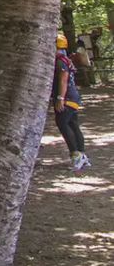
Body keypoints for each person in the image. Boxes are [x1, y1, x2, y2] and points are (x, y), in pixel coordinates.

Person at [53, 34, 90, 172]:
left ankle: (76, 154)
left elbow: (63, 79)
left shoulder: (60, 61)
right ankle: (81, 154)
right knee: (73, 124)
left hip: (67, 98)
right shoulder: (66, 59)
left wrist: (60, 98)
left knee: (62, 123)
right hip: (73, 97)